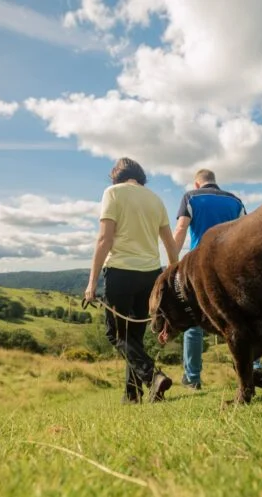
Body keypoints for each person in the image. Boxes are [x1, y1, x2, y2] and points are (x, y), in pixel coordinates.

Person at [84, 157, 179, 404]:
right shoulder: (155, 199)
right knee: (133, 338)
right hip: (150, 274)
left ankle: (152, 376)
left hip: (120, 272)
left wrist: (91, 283)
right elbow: (169, 243)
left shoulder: (113, 193)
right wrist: (173, 276)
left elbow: (105, 239)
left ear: (116, 176)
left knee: (115, 333)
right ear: (140, 176)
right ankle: (132, 396)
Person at [173, 169, 262, 391]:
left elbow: (181, 227)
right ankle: (255, 364)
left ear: (197, 184)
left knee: (194, 323)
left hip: (200, 270)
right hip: (233, 268)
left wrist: (173, 261)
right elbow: (249, 233)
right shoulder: (235, 200)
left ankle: (193, 378)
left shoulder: (190, 197)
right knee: (241, 319)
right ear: (215, 182)